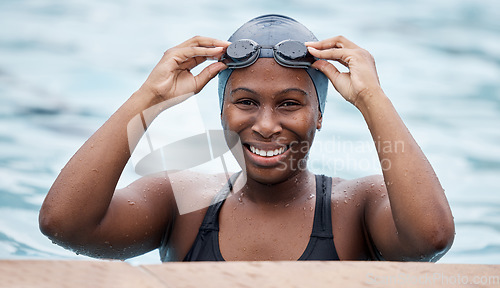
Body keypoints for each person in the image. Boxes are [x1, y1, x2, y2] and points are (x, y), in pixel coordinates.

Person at [39, 14, 454, 261]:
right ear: (222, 111)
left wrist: (371, 98)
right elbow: (65, 225)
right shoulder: (180, 205)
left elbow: (430, 239)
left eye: (290, 104)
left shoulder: (356, 208)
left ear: (320, 115)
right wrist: (149, 99)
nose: (267, 124)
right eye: (246, 102)